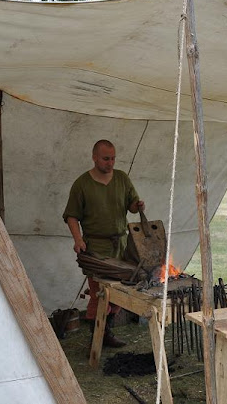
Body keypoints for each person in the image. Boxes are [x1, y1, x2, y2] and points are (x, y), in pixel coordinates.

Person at [63, 139, 144, 348]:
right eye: (106, 158)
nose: (110, 163)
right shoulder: (82, 184)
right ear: (94, 157)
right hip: (96, 249)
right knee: (100, 294)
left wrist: (137, 205)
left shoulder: (121, 178)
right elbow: (71, 215)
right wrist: (78, 239)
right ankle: (96, 336)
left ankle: (105, 333)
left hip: (121, 246)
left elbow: (132, 207)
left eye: (113, 158)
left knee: (119, 293)